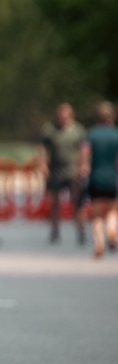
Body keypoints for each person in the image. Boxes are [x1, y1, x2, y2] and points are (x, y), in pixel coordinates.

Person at [37, 102, 86, 244]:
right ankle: (54, 233)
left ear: (70, 115)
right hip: (55, 171)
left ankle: (81, 232)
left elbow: (84, 149)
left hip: (72, 171)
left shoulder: (78, 130)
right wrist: (42, 164)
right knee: (54, 204)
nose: (62, 118)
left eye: (65, 115)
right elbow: (42, 148)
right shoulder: (50, 130)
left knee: (77, 204)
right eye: (60, 115)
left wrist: (83, 166)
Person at [79, 101, 118, 259]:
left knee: (96, 215)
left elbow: (84, 154)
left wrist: (83, 170)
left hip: (95, 178)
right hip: (113, 178)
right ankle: (112, 230)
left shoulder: (91, 134)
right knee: (112, 211)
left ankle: (99, 243)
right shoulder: (116, 134)